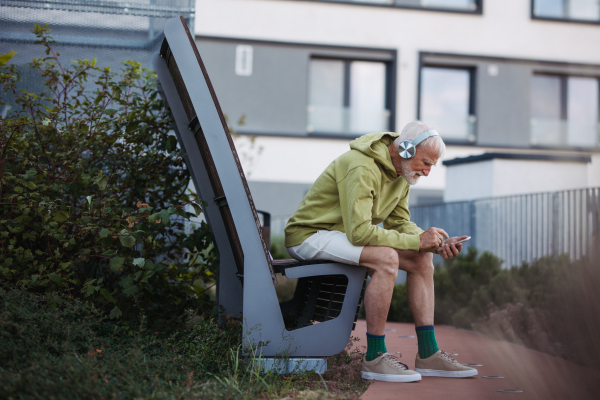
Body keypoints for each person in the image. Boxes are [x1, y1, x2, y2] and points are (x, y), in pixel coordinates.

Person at [284, 120, 477, 382]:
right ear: (406, 149)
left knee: (422, 260)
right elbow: (360, 233)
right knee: (386, 258)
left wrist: (432, 243)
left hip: (340, 235)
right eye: (426, 162)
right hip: (309, 235)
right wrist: (416, 241)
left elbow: (399, 223)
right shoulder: (361, 166)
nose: (428, 171)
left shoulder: (403, 174)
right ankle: (375, 357)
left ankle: (429, 354)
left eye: (432, 164)